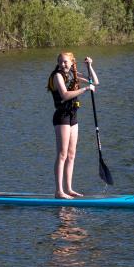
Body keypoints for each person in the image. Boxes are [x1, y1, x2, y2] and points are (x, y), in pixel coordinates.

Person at [48, 52, 100, 198]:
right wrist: (84, 89)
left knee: (71, 155)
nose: (63, 64)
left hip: (73, 116)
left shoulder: (73, 74)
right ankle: (59, 191)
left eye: (65, 62)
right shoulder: (57, 76)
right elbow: (64, 96)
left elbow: (95, 82)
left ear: (71, 62)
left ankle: (69, 189)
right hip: (62, 116)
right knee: (62, 154)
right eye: (60, 62)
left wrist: (90, 66)